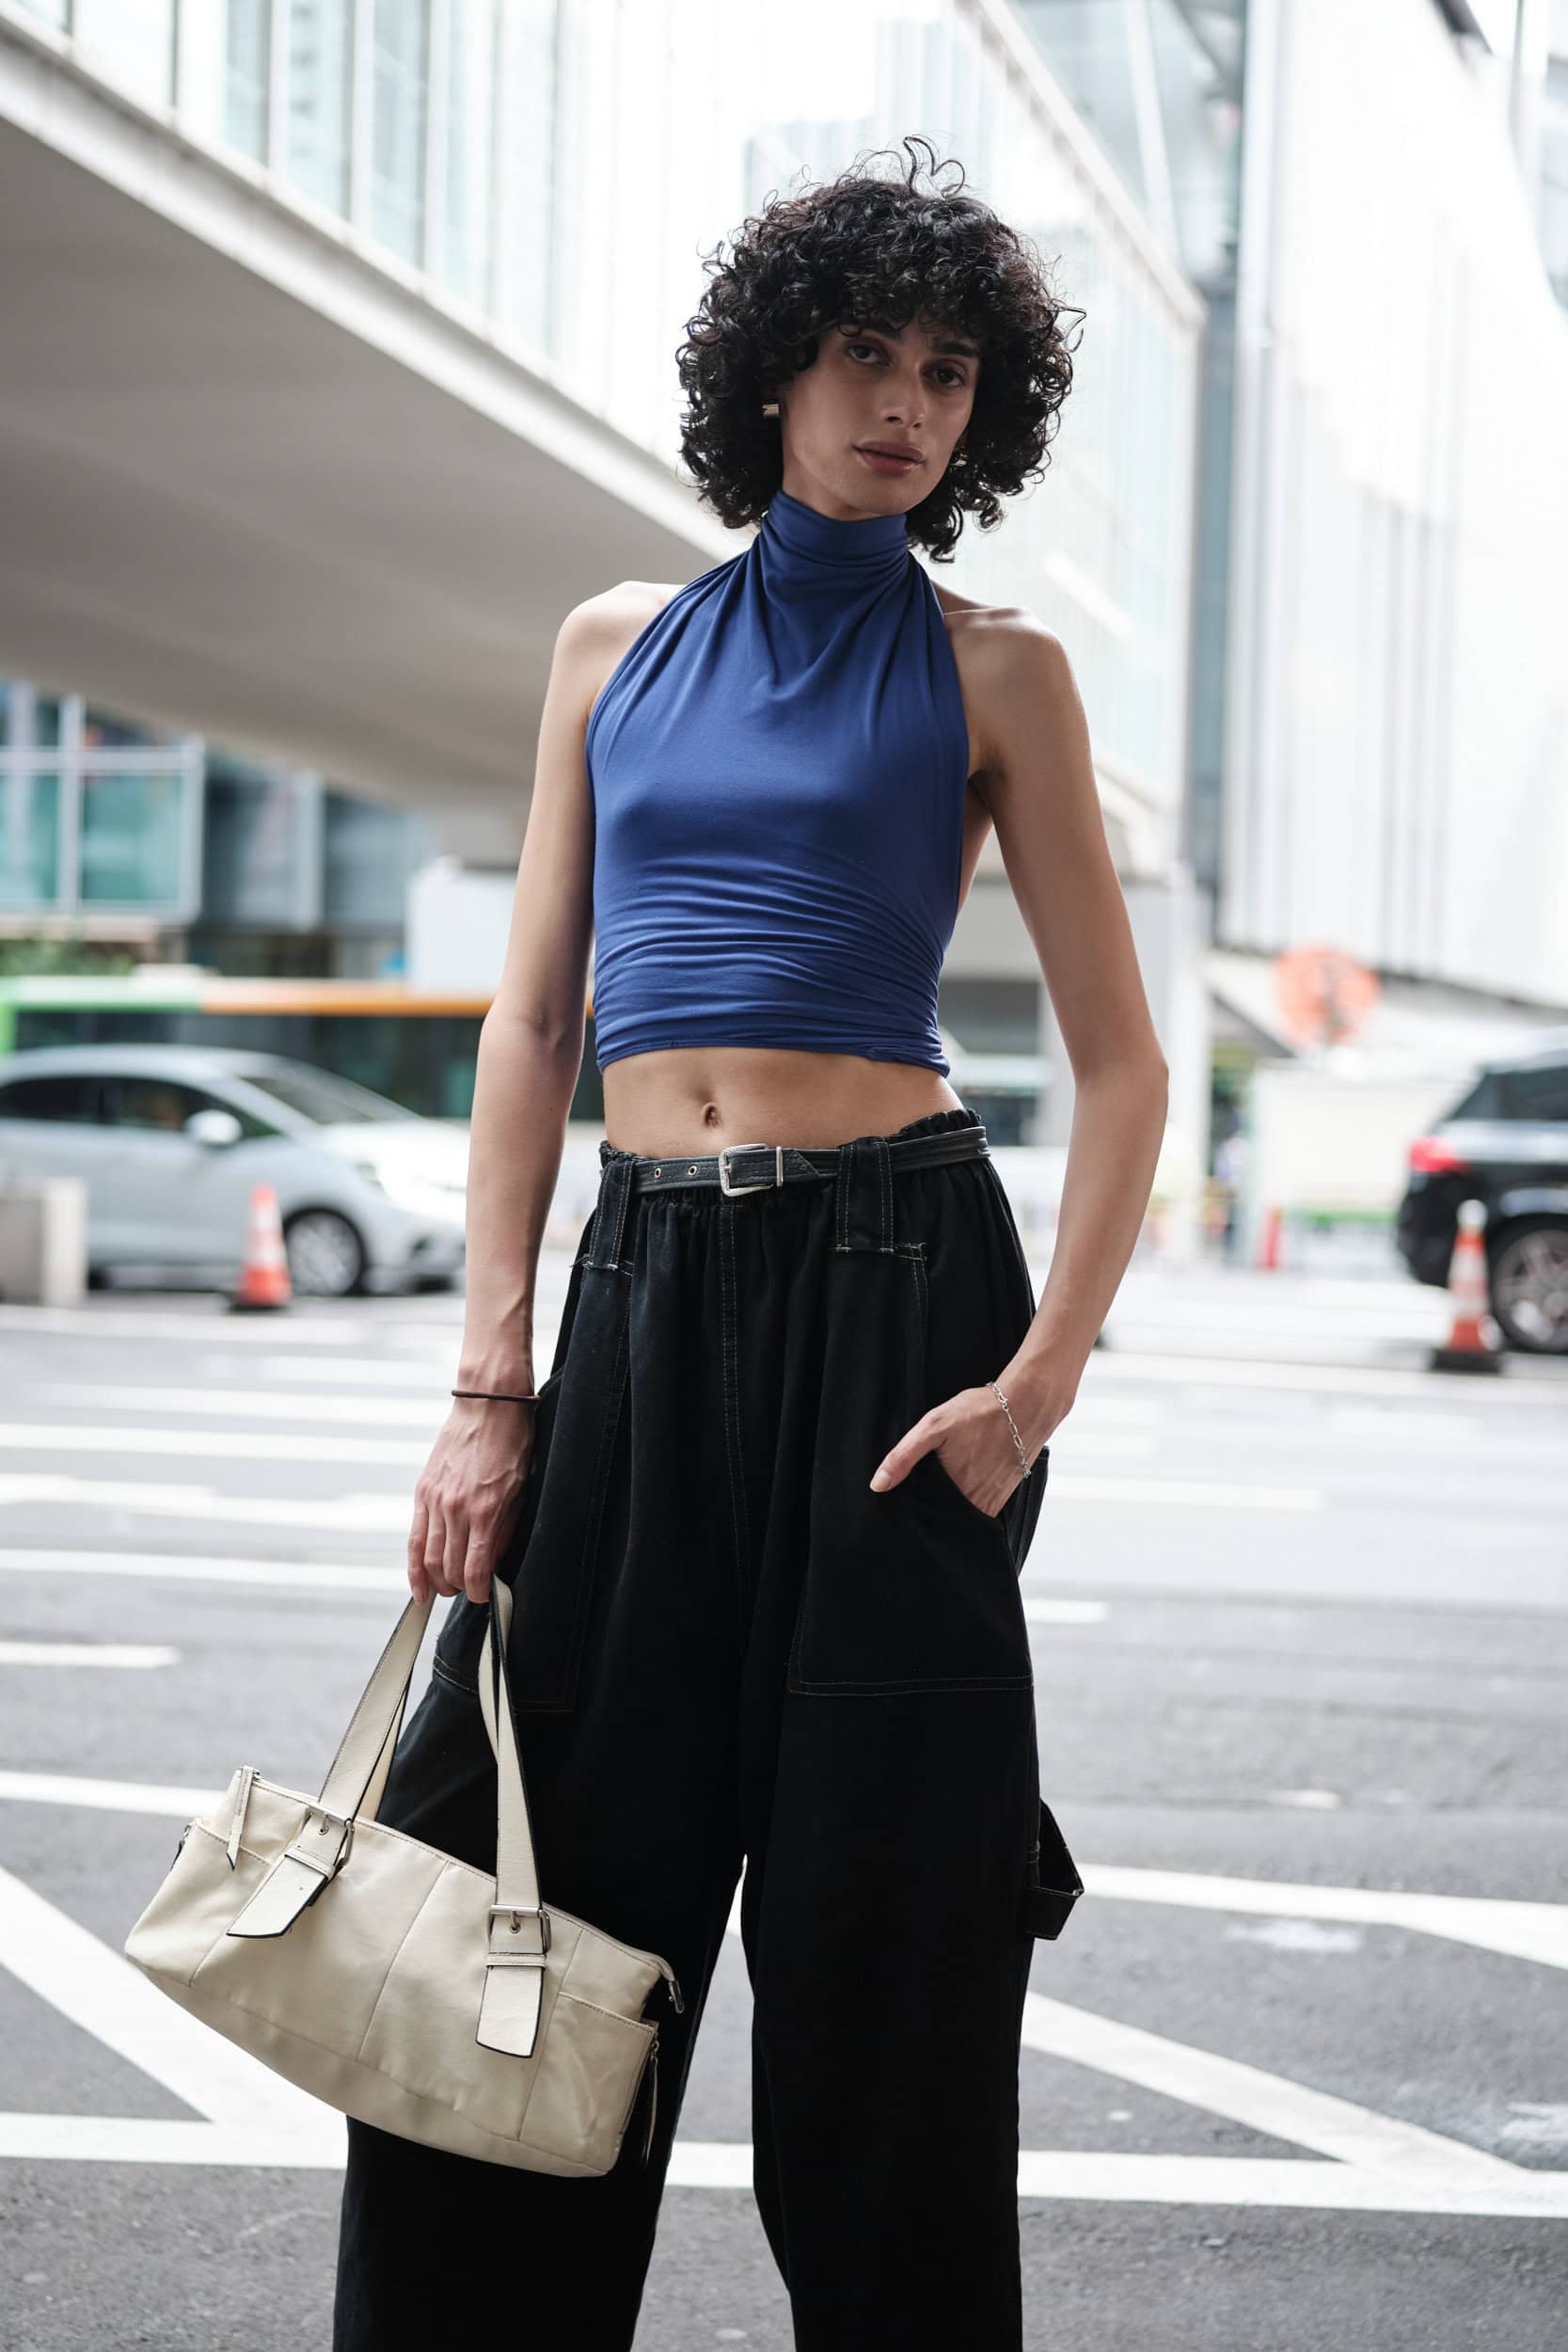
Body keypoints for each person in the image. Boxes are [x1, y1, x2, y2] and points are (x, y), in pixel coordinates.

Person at [332, 137, 1167, 2352]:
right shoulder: (612, 646)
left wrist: (1036, 1387)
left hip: (898, 1297)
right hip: (641, 1288)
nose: (906, 402)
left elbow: (1125, 1066)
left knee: (887, 1922)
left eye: (951, 369)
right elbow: (532, 1023)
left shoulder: (1001, 673)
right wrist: (489, 1379)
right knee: (532, 1885)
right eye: (867, 353)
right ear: (773, 375)